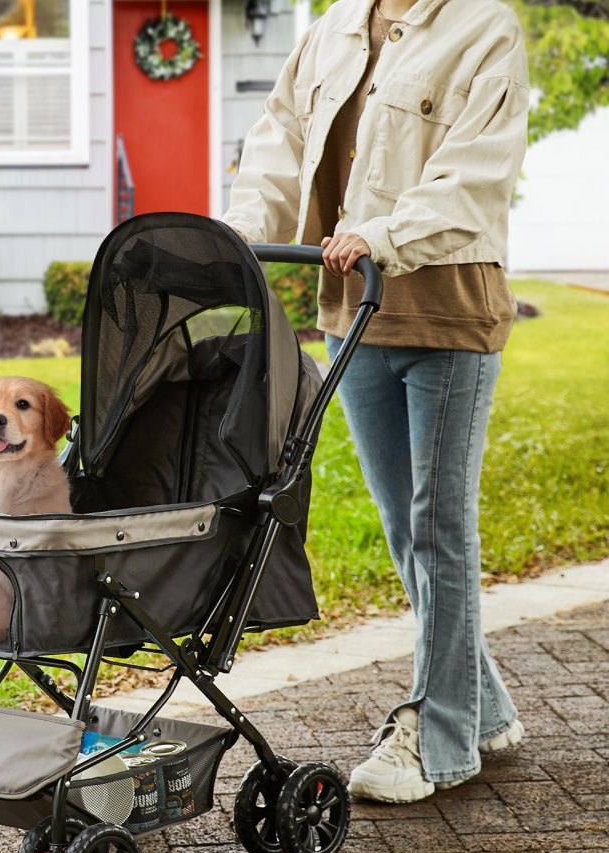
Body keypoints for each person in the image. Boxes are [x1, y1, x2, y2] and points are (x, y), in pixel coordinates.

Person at [222, 0, 530, 802]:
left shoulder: (482, 25)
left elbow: (476, 171)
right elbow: (279, 141)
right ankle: (483, 707)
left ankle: (438, 737)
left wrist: (384, 234)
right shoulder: (330, 28)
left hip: (448, 307)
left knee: (438, 525)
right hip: (352, 310)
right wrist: (237, 230)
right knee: (405, 524)